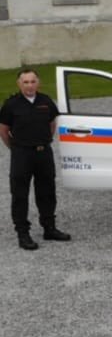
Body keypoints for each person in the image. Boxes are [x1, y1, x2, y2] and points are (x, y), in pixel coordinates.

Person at [0, 68, 72, 250]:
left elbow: (52, 124)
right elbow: (4, 130)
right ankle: (23, 234)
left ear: (38, 83)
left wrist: (43, 141)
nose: (29, 85)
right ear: (19, 84)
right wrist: (16, 148)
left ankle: (49, 228)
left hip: (43, 153)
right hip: (22, 154)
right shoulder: (11, 104)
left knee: (47, 191)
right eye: (25, 82)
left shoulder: (45, 101)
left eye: (33, 82)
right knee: (20, 194)